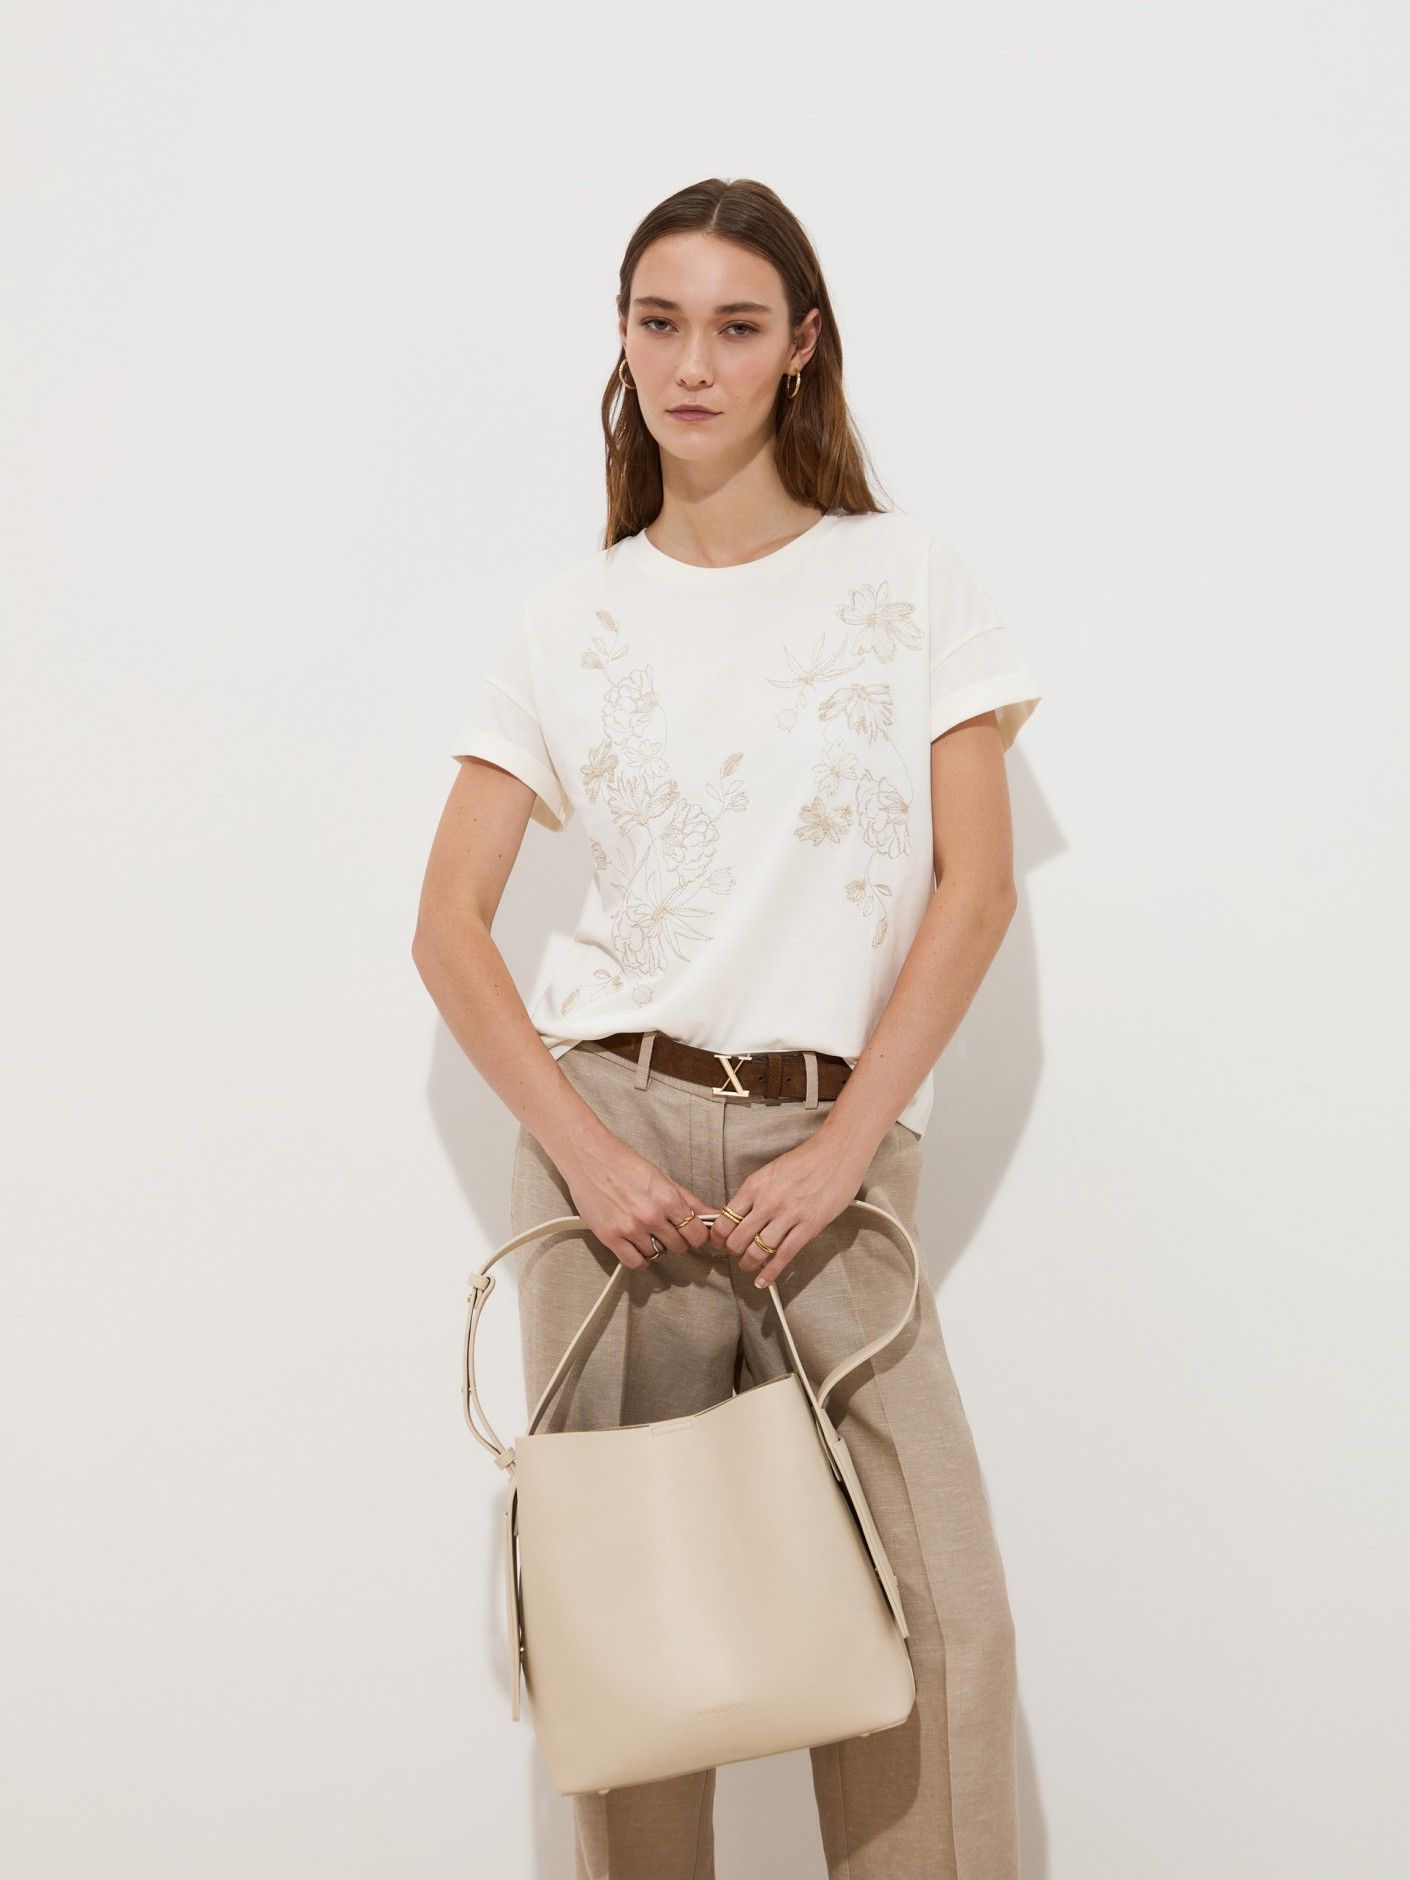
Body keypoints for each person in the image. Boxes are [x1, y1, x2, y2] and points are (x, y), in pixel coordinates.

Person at [413, 176, 1042, 1880]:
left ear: (800, 347)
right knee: (631, 1638)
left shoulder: (905, 578)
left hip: (829, 1146)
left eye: (736, 326)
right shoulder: (570, 619)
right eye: (660, 322)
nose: (693, 363)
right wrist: (587, 1157)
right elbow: (447, 927)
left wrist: (846, 1149)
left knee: (937, 1622)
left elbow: (975, 890)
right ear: (623, 343)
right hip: (612, 1146)